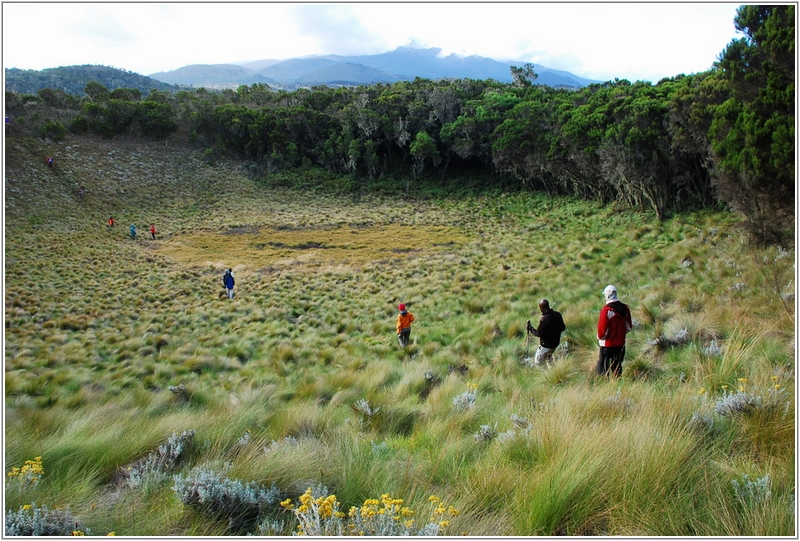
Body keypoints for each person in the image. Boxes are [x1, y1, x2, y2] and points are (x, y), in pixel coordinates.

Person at [596, 284, 632, 377]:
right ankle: (617, 383)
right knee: (617, 367)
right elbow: (628, 327)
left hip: (607, 344)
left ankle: (604, 386)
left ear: (607, 295)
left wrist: (600, 337)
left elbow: (602, 330)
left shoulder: (606, 310)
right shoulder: (625, 309)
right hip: (620, 344)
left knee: (604, 367)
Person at [526, 299, 566, 367]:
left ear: (541, 308)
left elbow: (539, 333)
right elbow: (563, 328)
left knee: (538, 362)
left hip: (546, 346)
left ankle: (546, 375)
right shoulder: (557, 314)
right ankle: (553, 372)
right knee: (548, 359)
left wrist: (530, 328)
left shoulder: (544, 319)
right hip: (555, 343)